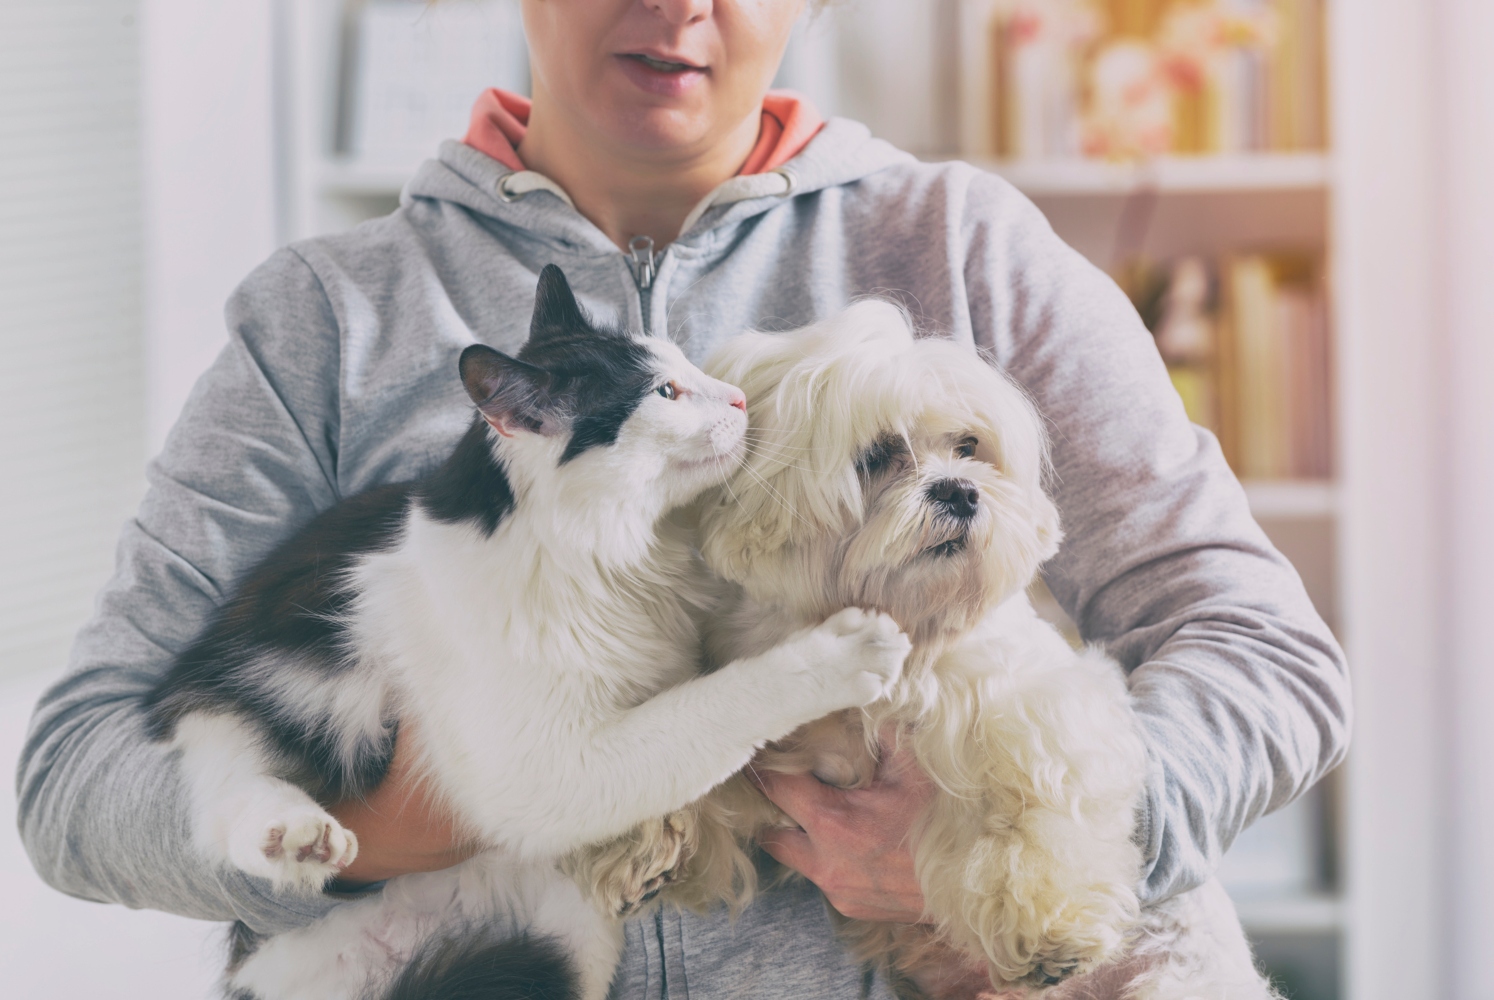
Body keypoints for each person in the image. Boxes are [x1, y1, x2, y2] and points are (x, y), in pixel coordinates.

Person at [16, 0, 1349, 997]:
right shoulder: (326, 318)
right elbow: (77, 779)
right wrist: (377, 825)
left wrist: (1025, 838)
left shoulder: (964, 251)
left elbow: (1267, 655)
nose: (679, 3)